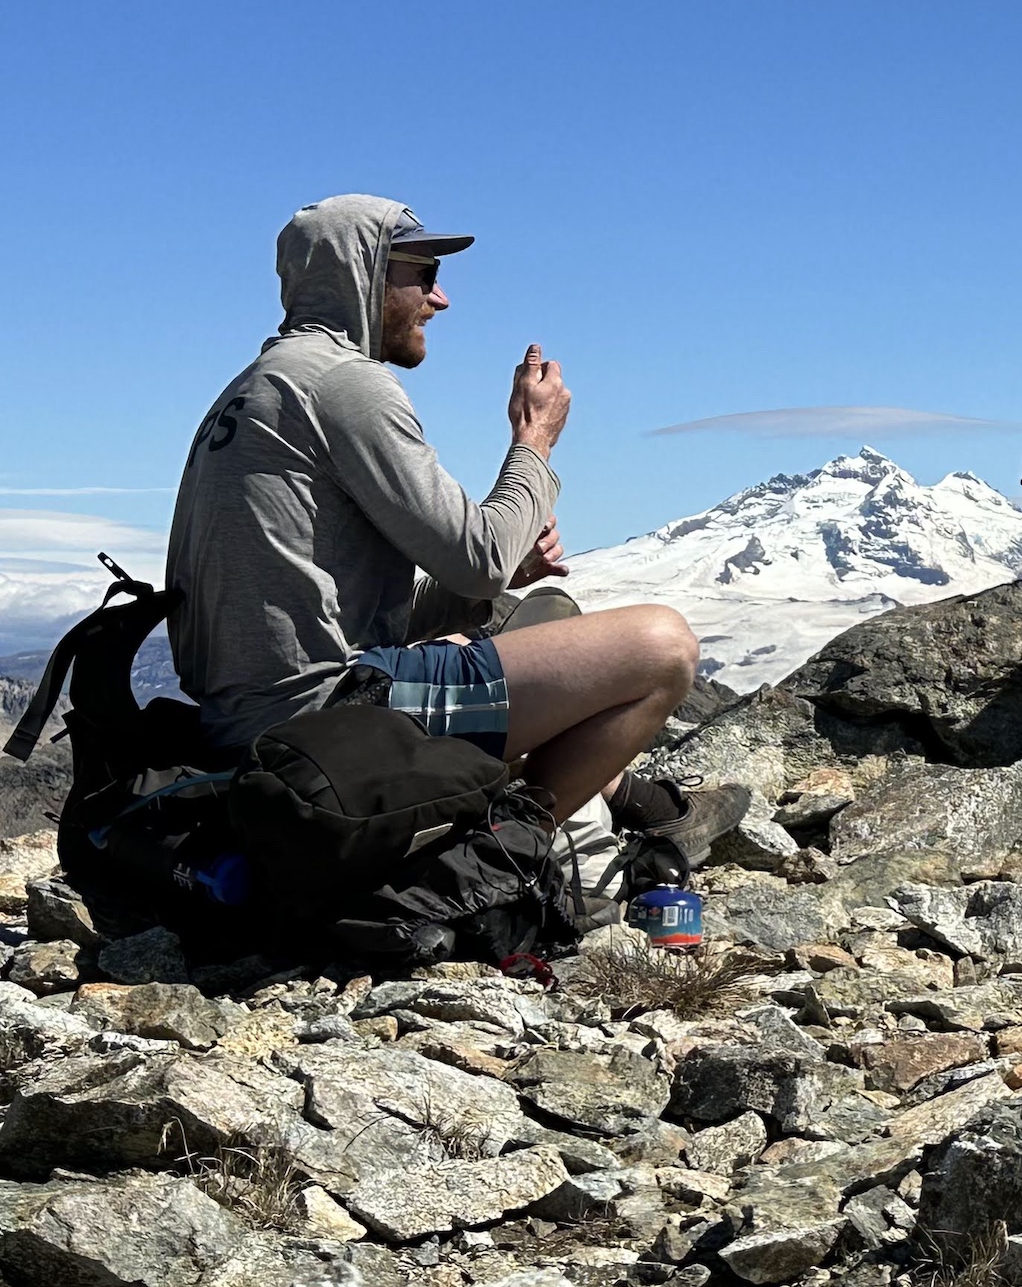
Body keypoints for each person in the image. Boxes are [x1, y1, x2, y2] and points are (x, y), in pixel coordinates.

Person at [166, 197, 731, 854]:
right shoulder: (343, 384)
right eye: (424, 274)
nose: (440, 299)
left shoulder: (254, 389)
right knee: (661, 646)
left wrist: (496, 575)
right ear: (361, 274)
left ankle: (633, 803)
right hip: (325, 729)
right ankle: (513, 852)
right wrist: (535, 439)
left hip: (251, 723)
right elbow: (479, 558)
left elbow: (346, 611)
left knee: (522, 620)